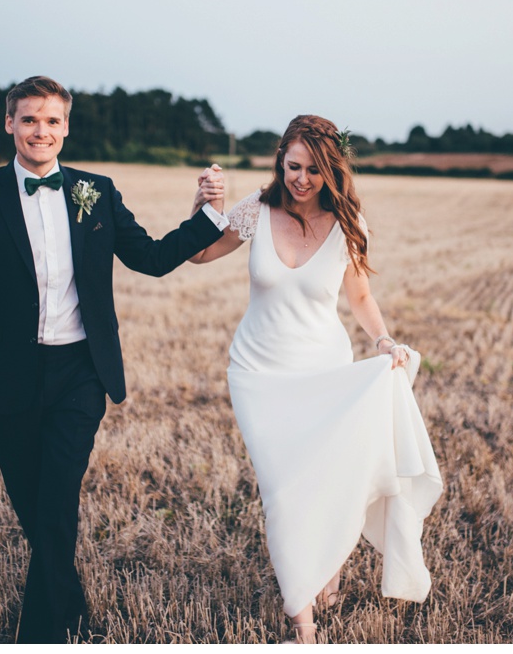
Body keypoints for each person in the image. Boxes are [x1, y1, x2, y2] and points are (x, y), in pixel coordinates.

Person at [0, 75, 228, 643]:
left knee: (57, 506)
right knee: (35, 513)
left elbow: (150, 256)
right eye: (28, 119)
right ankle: (72, 615)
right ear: (9, 124)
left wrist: (208, 217)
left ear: (66, 127)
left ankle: (40, 636)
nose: (40, 131)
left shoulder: (96, 190)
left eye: (51, 121)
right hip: (9, 377)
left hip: (79, 375)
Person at [190, 115, 442, 643]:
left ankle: (320, 579)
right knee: (283, 492)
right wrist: (203, 206)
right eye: (294, 166)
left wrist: (384, 342)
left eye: (315, 170)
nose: (302, 179)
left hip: (323, 373)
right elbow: (199, 251)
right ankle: (303, 623)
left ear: (332, 172)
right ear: (281, 159)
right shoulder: (256, 212)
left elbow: (360, 298)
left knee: (325, 482)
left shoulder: (349, 225)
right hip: (257, 376)